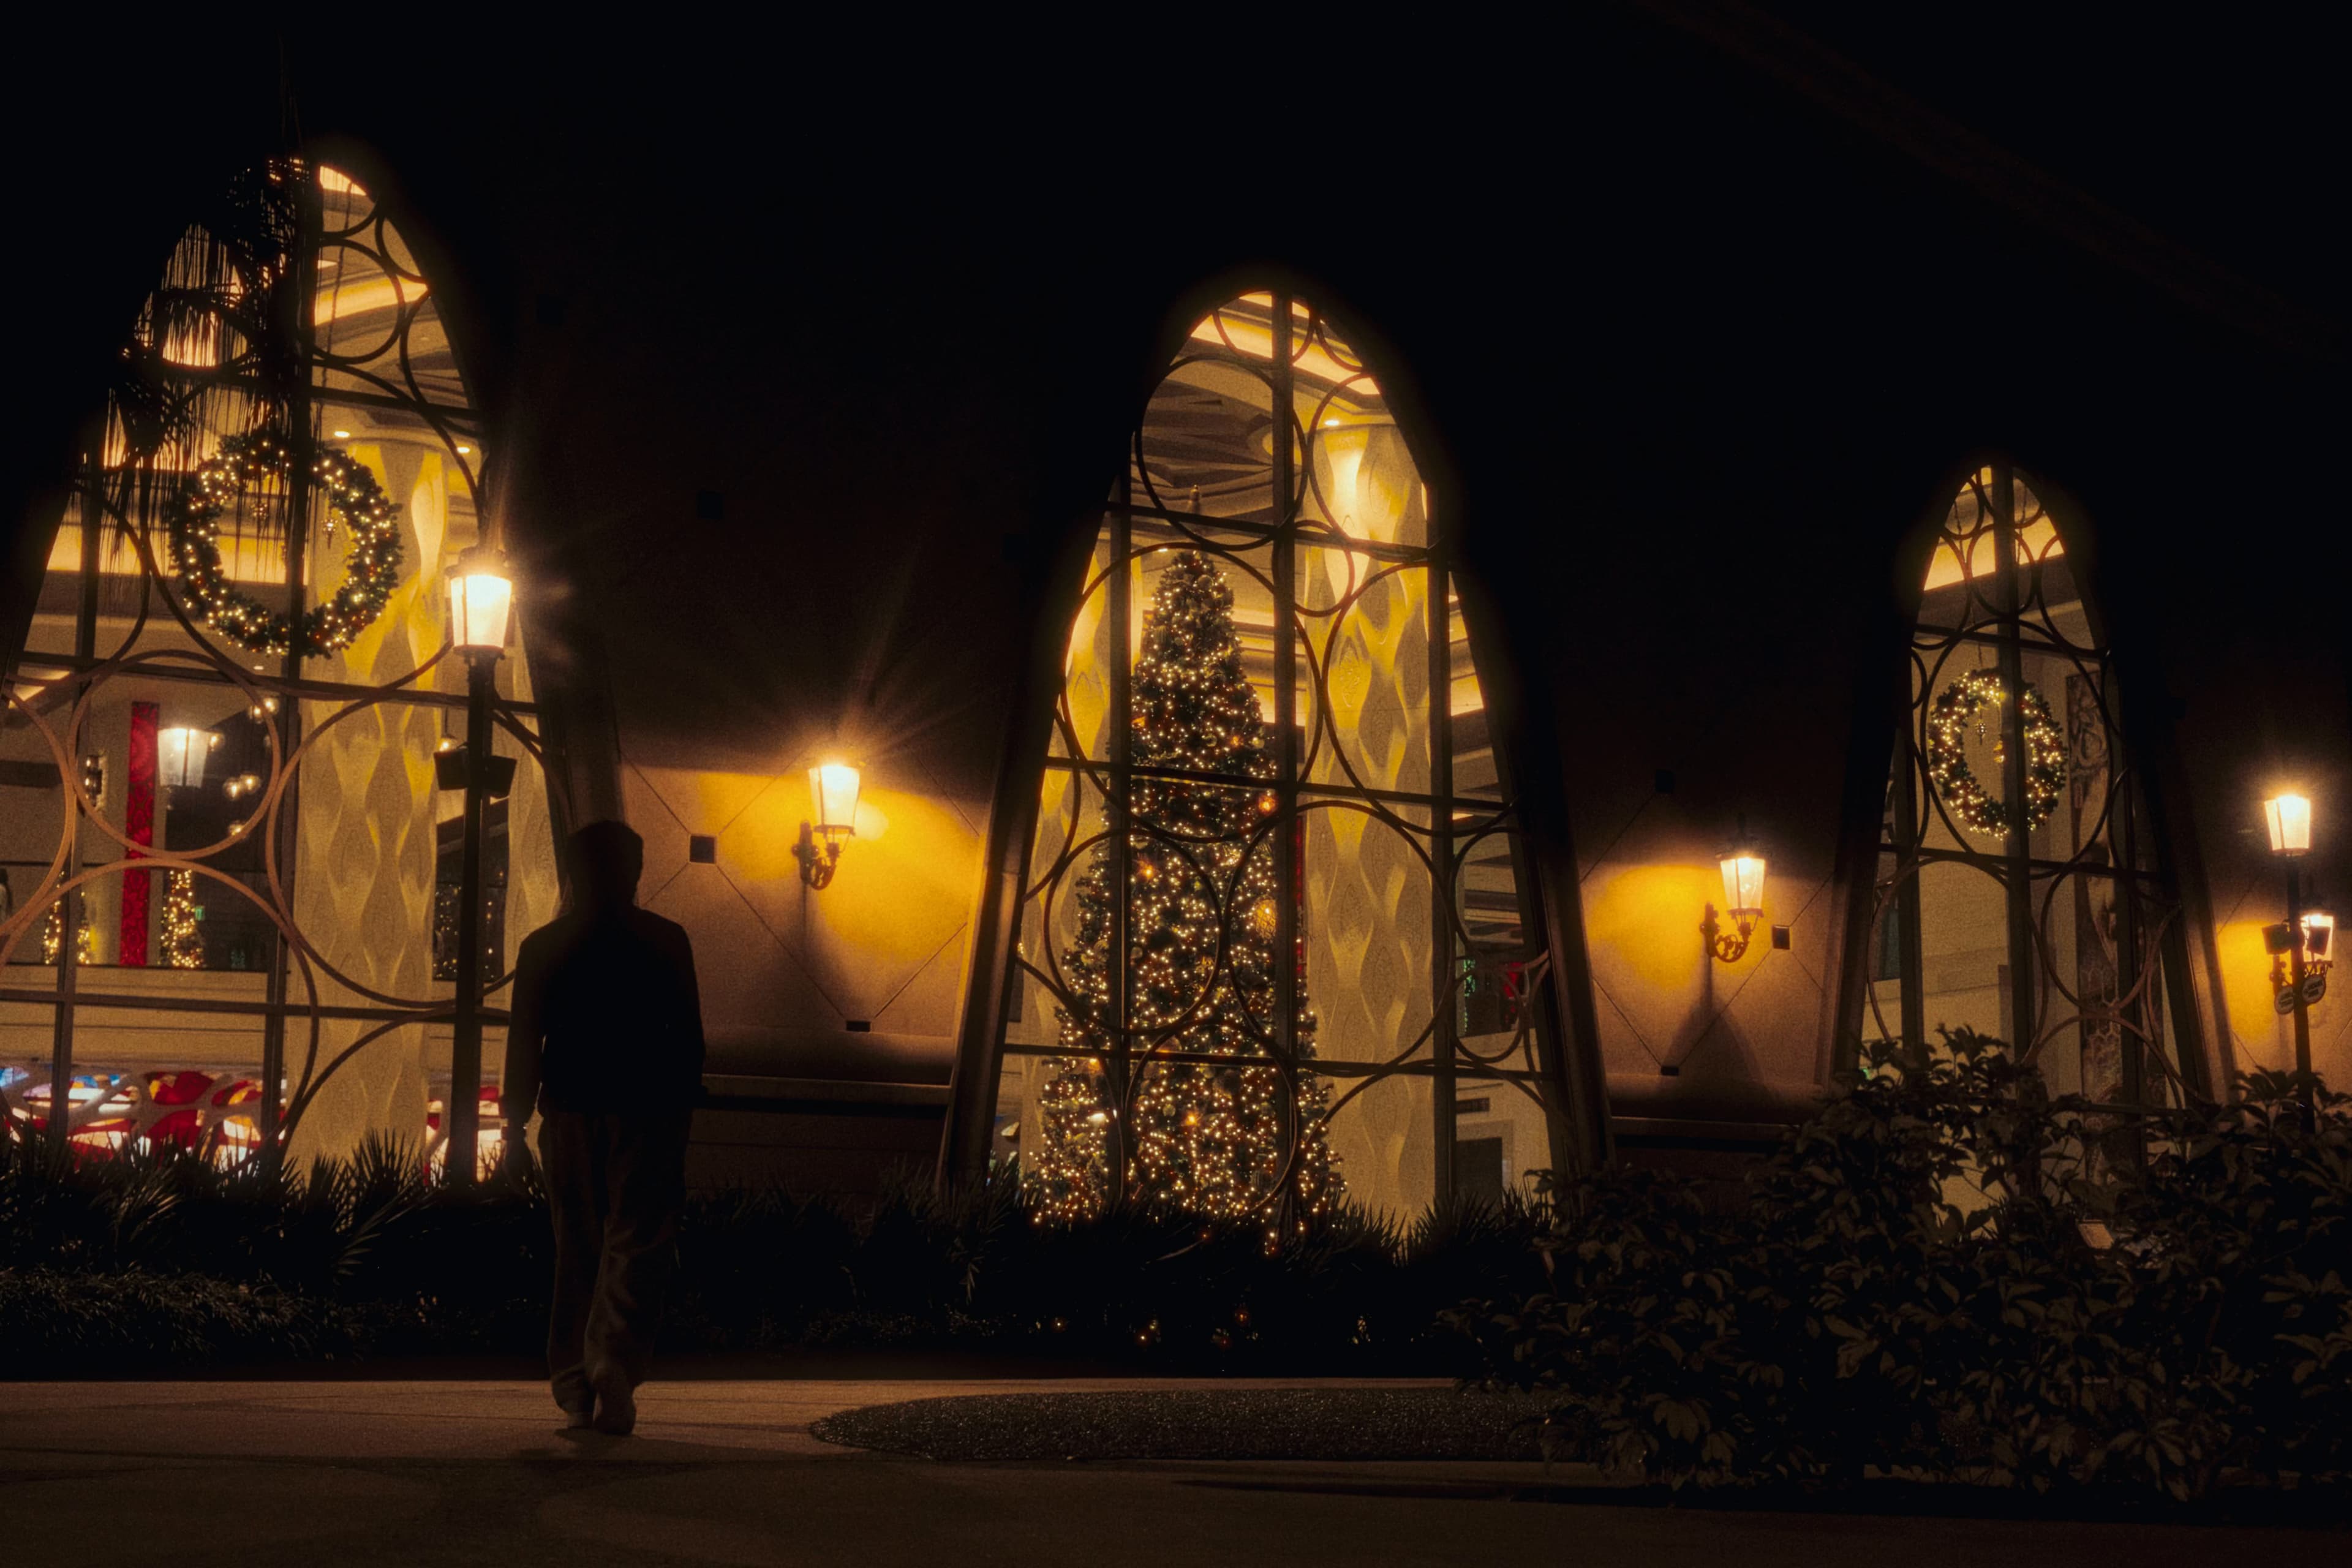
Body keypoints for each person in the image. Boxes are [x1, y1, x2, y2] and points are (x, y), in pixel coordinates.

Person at [502, 819, 704, 1435]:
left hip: (567, 1109)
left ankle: (573, 1383)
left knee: (577, 1247)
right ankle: (613, 1359)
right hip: (645, 1110)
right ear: (635, 872)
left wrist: (512, 1123)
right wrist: (679, 1114)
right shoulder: (666, 941)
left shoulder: (545, 946)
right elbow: (687, 1041)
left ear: (573, 872)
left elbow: (523, 1042)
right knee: (636, 1242)